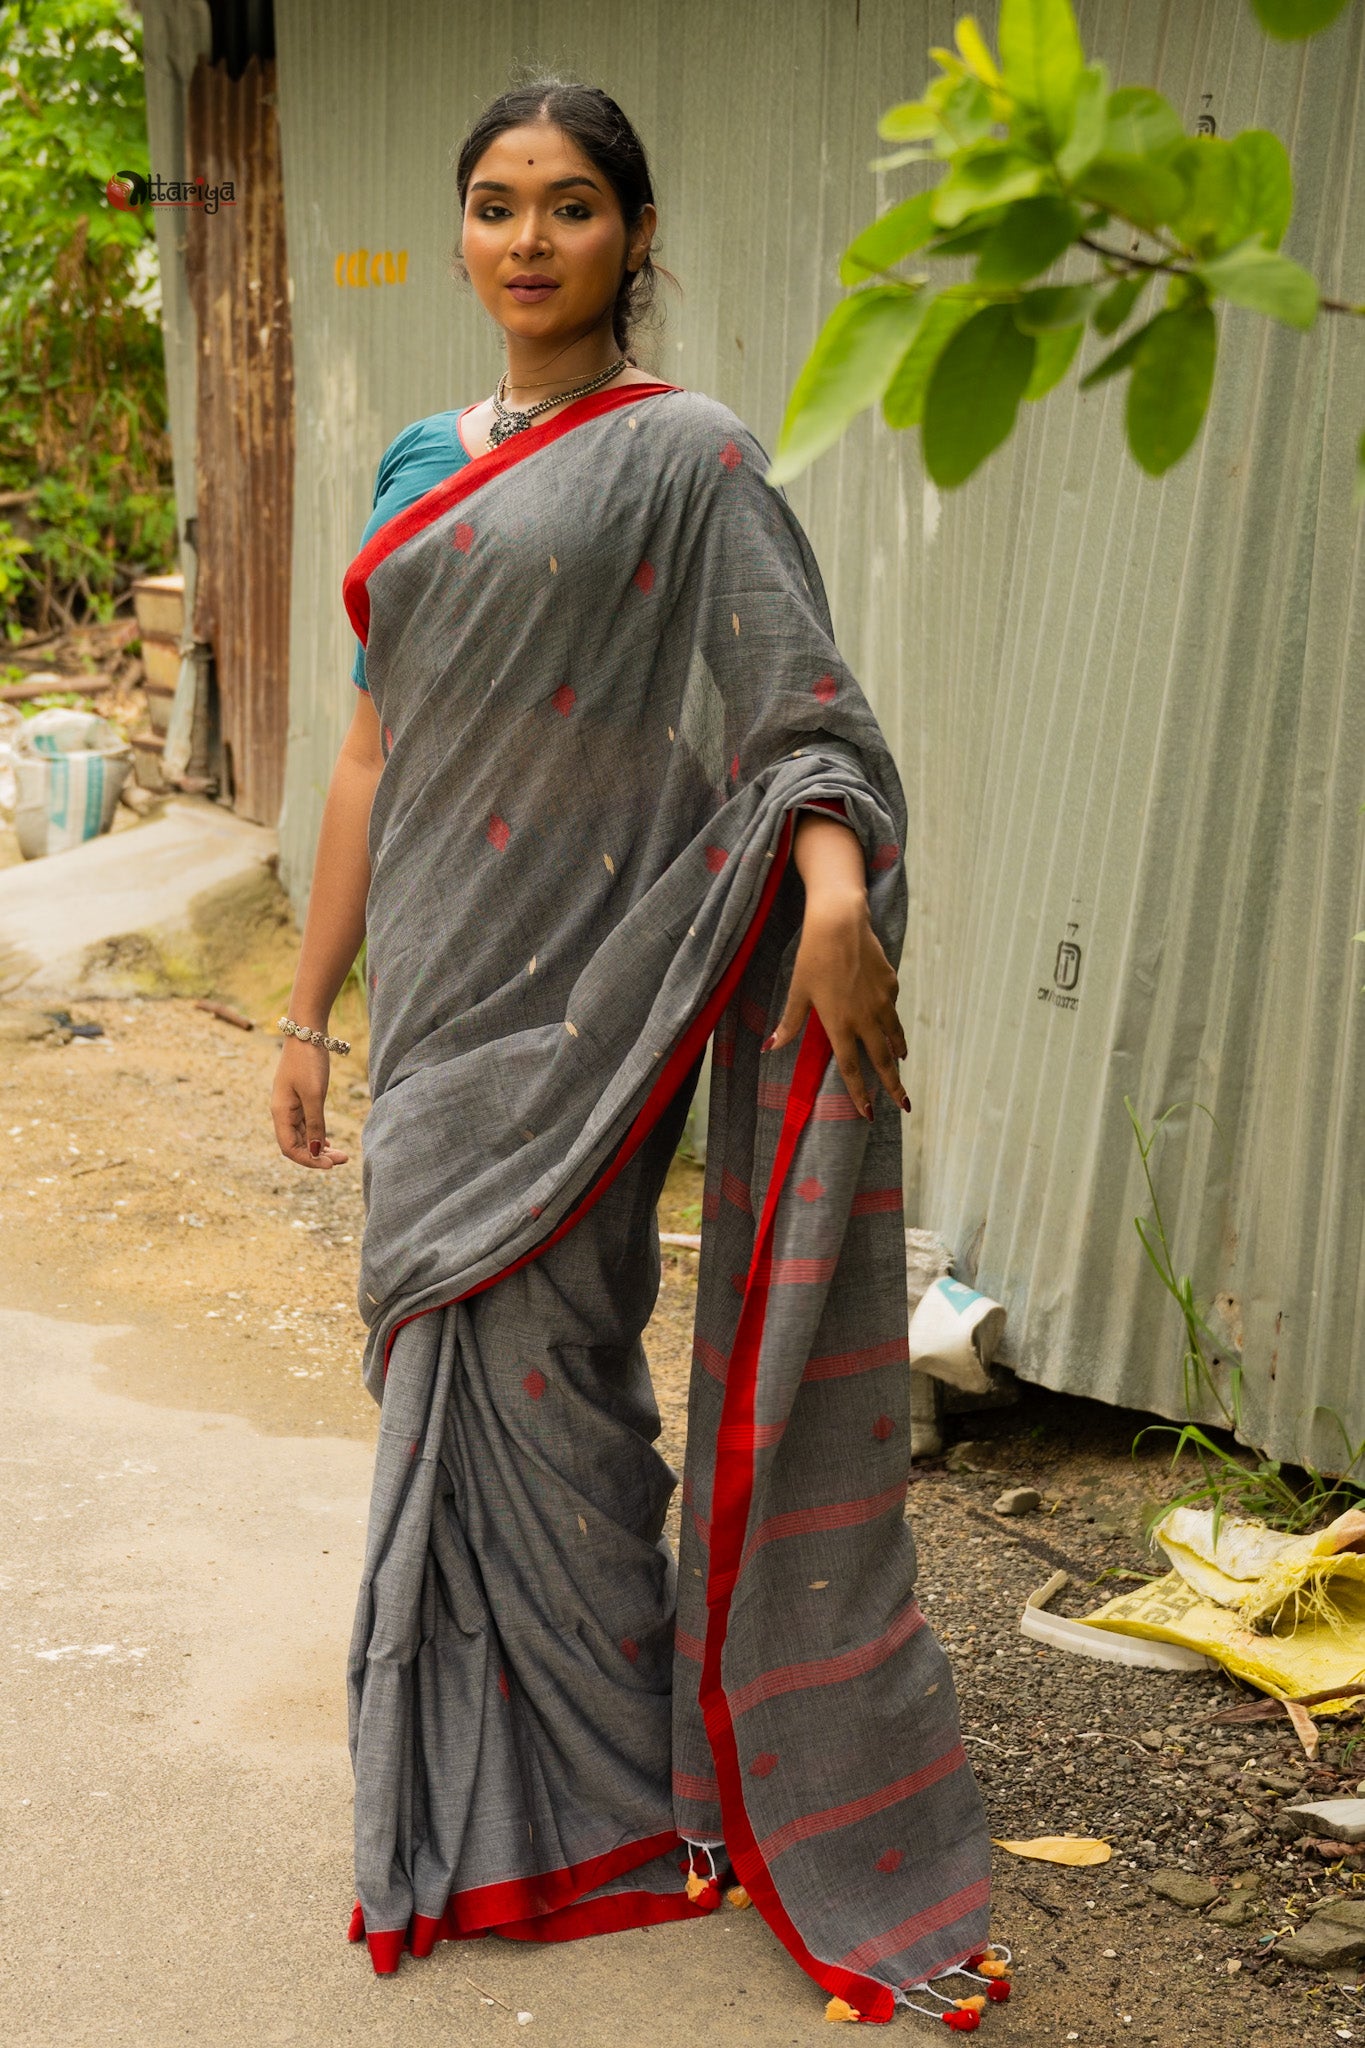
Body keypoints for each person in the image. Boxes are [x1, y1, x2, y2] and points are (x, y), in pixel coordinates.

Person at [271, 77, 1004, 2028]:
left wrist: (831, 891)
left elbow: (798, 715)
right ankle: (465, 1802)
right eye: (496, 204)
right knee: (446, 1383)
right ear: (459, 235)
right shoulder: (417, 458)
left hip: (586, 1001)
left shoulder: (686, 457)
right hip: (432, 987)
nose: (527, 238)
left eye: (570, 205)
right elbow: (366, 754)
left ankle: (623, 1800)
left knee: (563, 1391)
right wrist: (302, 1002)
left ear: (634, 235)